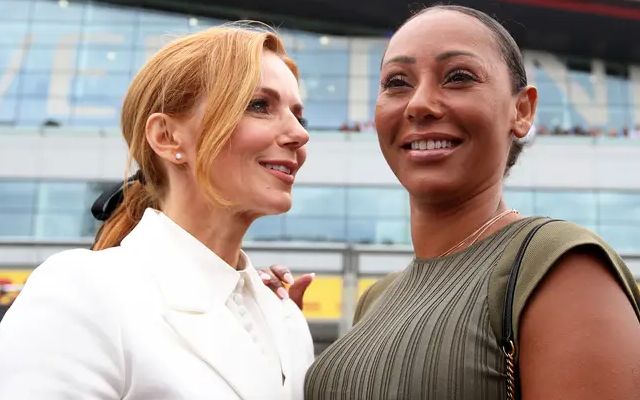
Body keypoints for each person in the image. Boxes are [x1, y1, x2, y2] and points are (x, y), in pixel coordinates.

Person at [303, 5, 640, 400]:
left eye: (458, 77)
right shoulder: (376, 300)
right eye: (397, 82)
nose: (419, 104)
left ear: (522, 110)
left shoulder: (558, 265)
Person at [0, 24, 315, 400]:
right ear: (166, 137)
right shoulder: (80, 291)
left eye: (299, 115)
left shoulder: (285, 319)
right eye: (259, 105)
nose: (299, 133)